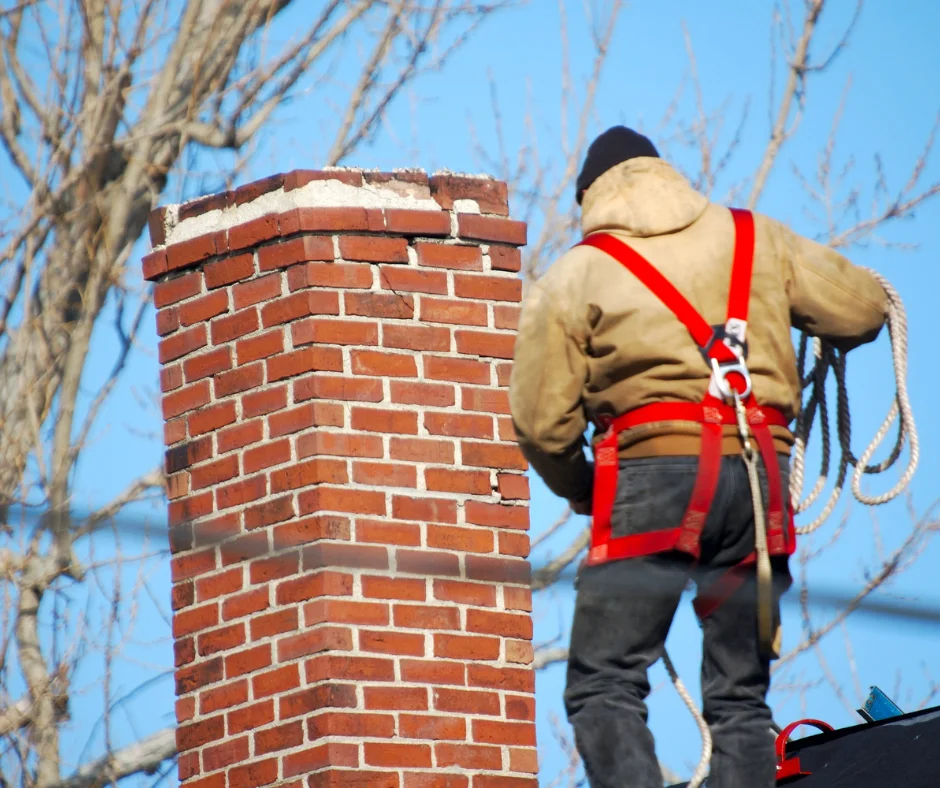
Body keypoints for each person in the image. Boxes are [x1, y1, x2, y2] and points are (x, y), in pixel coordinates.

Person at [508, 126, 887, 788]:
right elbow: (861, 310)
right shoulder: (755, 237)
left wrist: (582, 487)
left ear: (590, 198)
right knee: (741, 699)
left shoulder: (578, 272)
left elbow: (542, 425)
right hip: (759, 480)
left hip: (653, 478)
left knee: (605, 681)